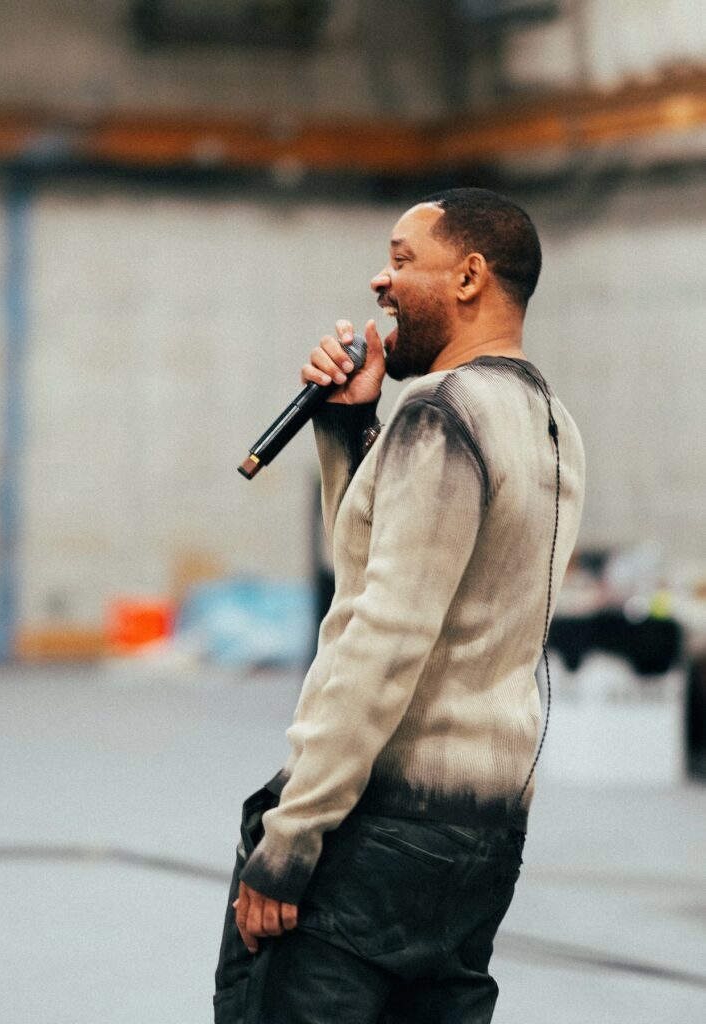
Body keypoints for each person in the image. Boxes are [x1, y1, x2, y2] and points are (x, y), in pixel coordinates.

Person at [214, 187, 585, 1023]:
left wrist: (291, 836)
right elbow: (399, 577)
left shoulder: (440, 411)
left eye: (400, 261)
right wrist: (350, 427)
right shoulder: (549, 420)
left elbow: (380, 636)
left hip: (376, 830)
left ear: (468, 276)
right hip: (479, 842)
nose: (379, 283)